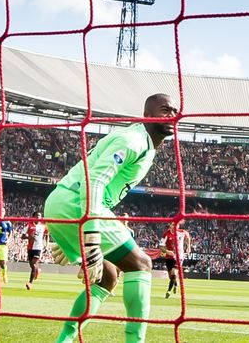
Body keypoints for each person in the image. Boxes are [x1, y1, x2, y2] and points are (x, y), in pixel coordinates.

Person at [44, 93, 176, 343]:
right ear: (146, 115)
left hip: (64, 203)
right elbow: (93, 181)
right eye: (165, 110)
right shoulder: (133, 140)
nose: (172, 115)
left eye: (175, 110)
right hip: (76, 201)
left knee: (107, 277)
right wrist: (91, 236)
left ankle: (64, 341)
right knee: (141, 263)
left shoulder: (144, 144)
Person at [161, 220, 192, 299]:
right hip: (169, 257)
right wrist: (167, 251)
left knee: (174, 274)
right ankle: (175, 284)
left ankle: (168, 291)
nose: (174, 226)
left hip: (179, 257)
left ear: (178, 226)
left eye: (176, 225)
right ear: (170, 226)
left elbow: (188, 237)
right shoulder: (166, 234)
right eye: (172, 225)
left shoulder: (182, 232)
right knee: (171, 277)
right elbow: (161, 246)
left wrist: (188, 247)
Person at [23, 211, 48, 290]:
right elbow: (22, 236)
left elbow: (47, 235)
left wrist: (46, 245)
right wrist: (29, 237)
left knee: (33, 264)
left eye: (40, 216)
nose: (38, 217)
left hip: (38, 248)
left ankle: (30, 283)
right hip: (30, 248)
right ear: (33, 217)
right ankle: (37, 270)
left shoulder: (43, 226)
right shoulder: (28, 225)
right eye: (37, 216)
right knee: (31, 265)